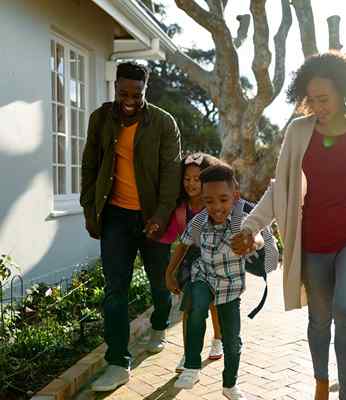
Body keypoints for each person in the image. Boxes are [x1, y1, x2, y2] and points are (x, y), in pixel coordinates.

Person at [231, 51, 346, 400]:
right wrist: (250, 227)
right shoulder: (299, 131)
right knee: (319, 320)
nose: (317, 106)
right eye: (311, 99)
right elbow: (282, 188)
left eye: (323, 98)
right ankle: (322, 381)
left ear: (344, 92)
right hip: (314, 241)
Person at [80, 61, 182, 392]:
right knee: (115, 290)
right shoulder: (101, 118)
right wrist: (88, 207)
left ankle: (159, 324)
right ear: (115, 88)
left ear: (145, 90)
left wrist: (161, 215)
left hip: (153, 216)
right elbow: (90, 164)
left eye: (136, 93)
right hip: (115, 217)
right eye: (123, 92)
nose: (129, 99)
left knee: (160, 283)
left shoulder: (164, 123)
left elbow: (171, 174)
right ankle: (118, 362)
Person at [165, 164, 263, 400]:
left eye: (223, 199)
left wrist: (252, 242)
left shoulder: (242, 220)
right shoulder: (199, 220)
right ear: (203, 199)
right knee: (196, 307)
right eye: (209, 201)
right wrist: (169, 273)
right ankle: (191, 366)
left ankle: (230, 385)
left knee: (232, 341)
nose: (216, 207)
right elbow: (183, 245)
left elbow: (258, 237)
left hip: (230, 288)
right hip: (204, 277)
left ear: (235, 196)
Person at [159, 152, 226, 371]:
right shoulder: (181, 208)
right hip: (190, 263)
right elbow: (175, 240)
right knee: (189, 307)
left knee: (215, 303)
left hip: (215, 259)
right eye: (187, 179)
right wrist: (169, 272)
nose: (191, 183)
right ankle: (189, 354)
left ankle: (218, 339)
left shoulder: (213, 204)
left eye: (197, 178)